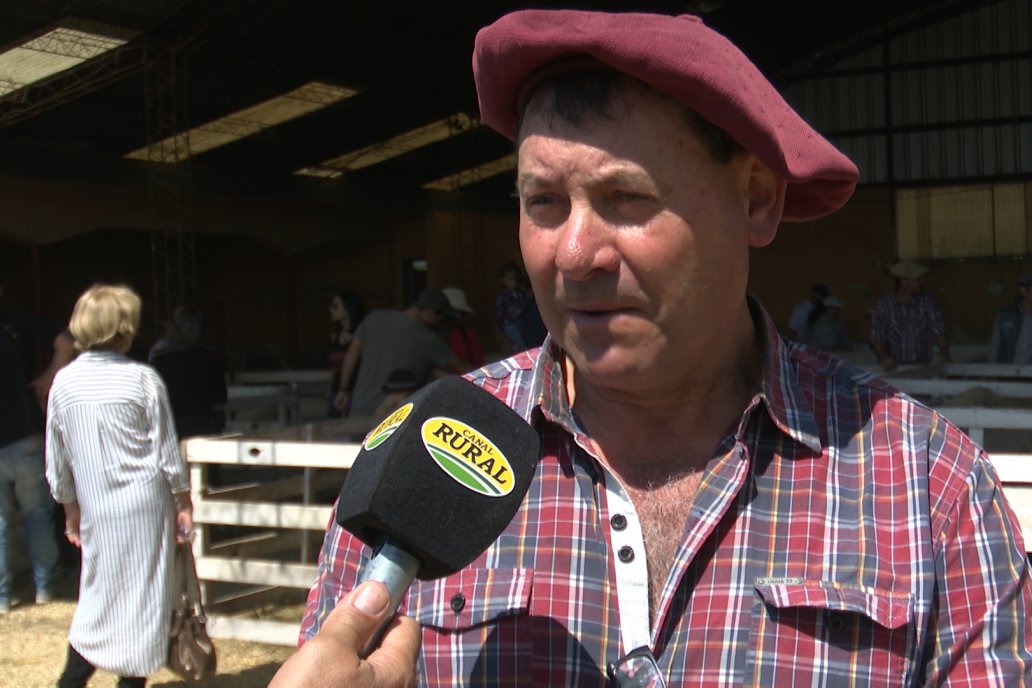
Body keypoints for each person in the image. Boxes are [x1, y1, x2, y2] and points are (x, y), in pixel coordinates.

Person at [283, 9, 1032, 687]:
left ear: (757, 198)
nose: (574, 252)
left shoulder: (930, 490)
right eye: (543, 201)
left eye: (627, 199)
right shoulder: (418, 466)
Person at [45, 284, 194, 687]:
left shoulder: (63, 383)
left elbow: (56, 461)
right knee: (144, 601)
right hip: (146, 505)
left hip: (96, 506)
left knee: (96, 598)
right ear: (122, 329)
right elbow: (167, 452)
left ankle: (71, 680)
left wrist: (70, 509)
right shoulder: (143, 378)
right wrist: (183, 501)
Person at [0, 285, 71, 614]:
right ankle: (45, 588)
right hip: (25, 432)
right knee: (38, 515)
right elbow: (67, 341)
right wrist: (48, 377)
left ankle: (3, 596)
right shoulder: (18, 323)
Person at [335, 287, 470, 418]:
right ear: (430, 312)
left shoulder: (374, 318)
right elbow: (464, 368)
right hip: (395, 419)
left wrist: (343, 390)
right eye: (440, 319)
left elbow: (351, 355)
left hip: (360, 410)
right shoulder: (428, 339)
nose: (438, 324)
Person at [150, 305, 228, 438]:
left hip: (172, 431)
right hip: (205, 428)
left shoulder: (160, 361)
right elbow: (221, 396)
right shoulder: (209, 359)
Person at [870, 260, 952, 371]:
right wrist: (884, 358)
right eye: (918, 279)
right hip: (896, 369)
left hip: (923, 367)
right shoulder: (883, 307)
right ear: (904, 282)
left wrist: (945, 358)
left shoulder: (927, 302)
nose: (923, 281)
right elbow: (877, 337)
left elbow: (939, 331)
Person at [326, 290, 366, 417]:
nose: (331, 310)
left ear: (348, 308)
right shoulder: (335, 336)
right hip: (335, 391)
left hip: (356, 392)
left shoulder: (361, 336)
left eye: (336, 306)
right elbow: (334, 368)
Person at [989, 272, 1032, 364]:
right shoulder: (1005, 316)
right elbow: (995, 346)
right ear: (1023, 291)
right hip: (1008, 374)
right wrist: (991, 371)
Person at [441, 287, 485, 368]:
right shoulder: (429, 336)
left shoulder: (467, 334)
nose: (457, 317)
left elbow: (479, 365)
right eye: (452, 312)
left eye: (461, 313)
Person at [493, 261, 530, 353]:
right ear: (503, 280)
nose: (513, 283)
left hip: (523, 324)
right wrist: (498, 332)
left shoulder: (520, 293)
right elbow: (499, 315)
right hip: (510, 326)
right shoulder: (503, 296)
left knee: (525, 345)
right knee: (518, 348)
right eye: (509, 280)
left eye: (515, 280)